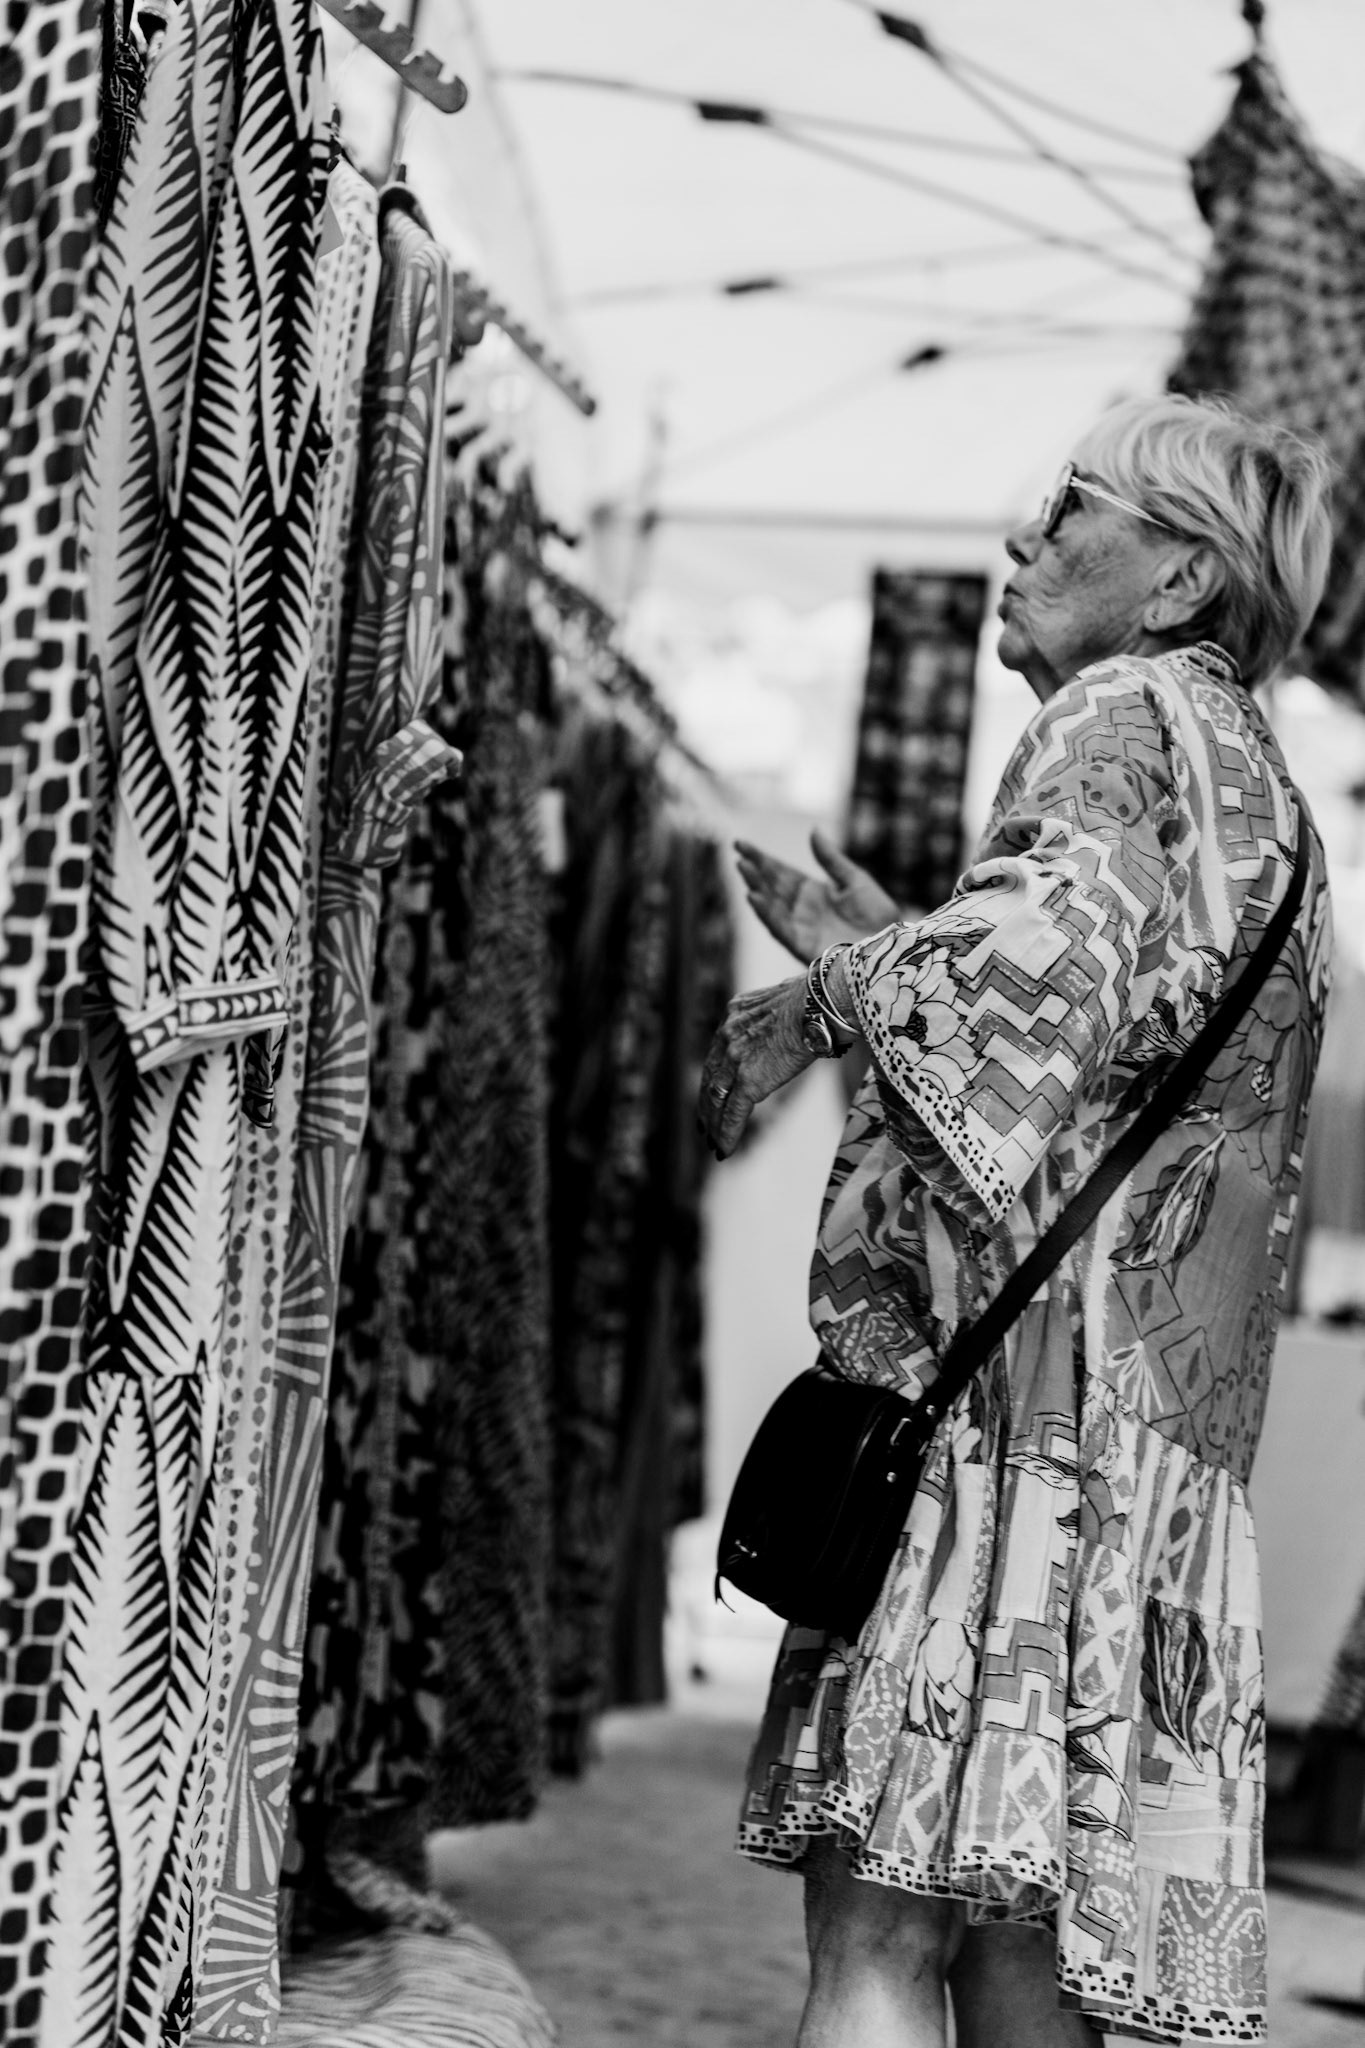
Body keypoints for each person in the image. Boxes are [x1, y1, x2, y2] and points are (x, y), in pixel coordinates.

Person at [698, 393, 1334, 2046]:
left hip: (1014, 1444)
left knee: (879, 1939)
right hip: (1142, 1464)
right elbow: (1098, 1033)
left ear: (1180, 580)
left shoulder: (1118, 718)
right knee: (1015, 1958)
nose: (1017, 539)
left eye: (1068, 511)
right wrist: (896, 937)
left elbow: (1010, 996)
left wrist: (825, 993)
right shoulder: (1260, 786)